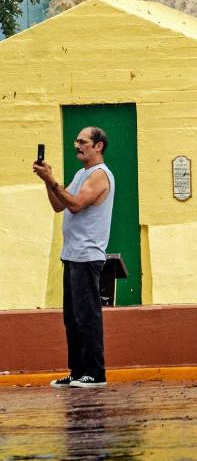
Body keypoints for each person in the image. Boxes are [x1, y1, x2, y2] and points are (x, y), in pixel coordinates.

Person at [33, 127, 116, 388]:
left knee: (87, 315)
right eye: (76, 141)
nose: (76, 145)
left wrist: (53, 180)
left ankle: (95, 372)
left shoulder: (100, 175)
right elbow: (60, 204)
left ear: (98, 146)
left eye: (82, 142)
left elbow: (76, 204)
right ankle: (78, 371)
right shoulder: (82, 174)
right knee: (72, 318)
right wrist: (48, 181)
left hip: (87, 255)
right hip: (72, 255)